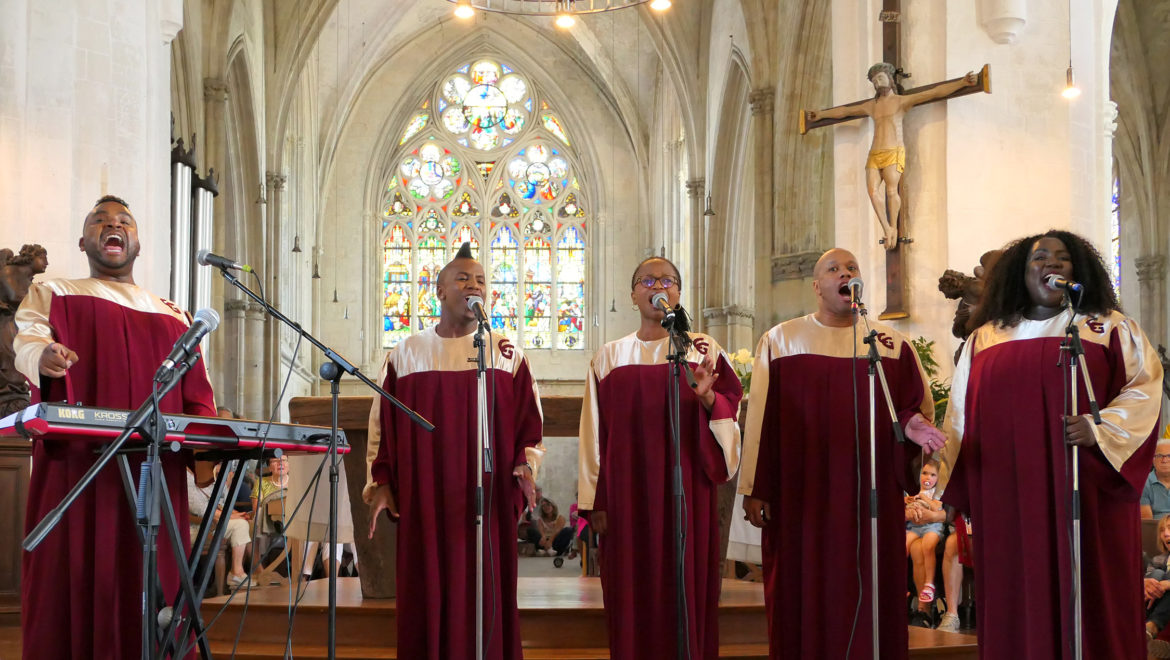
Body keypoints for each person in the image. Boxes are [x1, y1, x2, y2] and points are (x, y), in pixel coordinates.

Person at [938, 230, 1163, 659]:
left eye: (1062, 258)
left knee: (1091, 589)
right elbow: (961, 416)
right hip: (1009, 496)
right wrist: (953, 482)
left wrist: (1102, 428)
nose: (1052, 264)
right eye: (1039, 258)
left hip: (1089, 488)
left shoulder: (1108, 327)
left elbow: (1144, 389)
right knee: (1017, 589)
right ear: (1020, 275)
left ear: (1078, 270)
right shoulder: (987, 338)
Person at [13, 195, 217, 658]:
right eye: (100, 221)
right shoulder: (54, 293)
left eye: (125, 221)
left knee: (152, 583)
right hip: (79, 471)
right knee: (78, 574)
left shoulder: (173, 314)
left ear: (139, 244)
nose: (113, 226)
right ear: (83, 240)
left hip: (157, 474)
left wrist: (208, 453)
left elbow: (199, 398)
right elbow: (27, 338)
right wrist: (44, 357)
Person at [739, 247, 945, 659]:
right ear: (817, 287)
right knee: (805, 586)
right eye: (834, 269)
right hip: (802, 495)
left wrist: (913, 425)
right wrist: (756, 488)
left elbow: (910, 407)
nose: (844, 274)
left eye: (851, 268)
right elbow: (762, 420)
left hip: (867, 497)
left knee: (869, 587)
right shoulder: (781, 341)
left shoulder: (889, 345)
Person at [365, 243, 544, 660]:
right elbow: (381, 431)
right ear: (439, 290)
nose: (473, 284)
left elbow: (529, 428)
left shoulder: (506, 354)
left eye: (481, 280)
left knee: (484, 594)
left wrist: (525, 467)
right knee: (426, 593)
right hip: (426, 502)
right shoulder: (406, 354)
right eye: (462, 278)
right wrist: (383, 484)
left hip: (487, 498)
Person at [579, 256, 743, 660]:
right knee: (632, 590)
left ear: (678, 293)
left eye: (667, 280)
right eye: (648, 280)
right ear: (633, 293)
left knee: (686, 587)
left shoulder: (701, 348)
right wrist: (592, 503)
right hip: (627, 496)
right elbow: (592, 432)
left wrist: (706, 396)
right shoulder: (609, 356)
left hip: (688, 491)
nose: (659, 286)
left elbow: (730, 408)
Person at [805, 64, 978, 249]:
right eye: (874, 81)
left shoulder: (901, 102)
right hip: (875, 153)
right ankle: (886, 227)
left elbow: (934, 93)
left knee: (890, 191)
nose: (878, 82)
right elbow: (845, 111)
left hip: (893, 151)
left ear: (890, 78)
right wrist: (821, 114)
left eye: (880, 78)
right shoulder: (872, 106)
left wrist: (962, 82)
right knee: (872, 192)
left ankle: (892, 228)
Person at [187, 468, 252, 589]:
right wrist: (231, 516)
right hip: (196, 526)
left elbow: (221, 502)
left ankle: (238, 572)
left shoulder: (206, 472)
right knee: (239, 524)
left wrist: (235, 513)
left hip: (214, 522)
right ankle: (236, 573)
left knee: (245, 523)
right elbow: (201, 509)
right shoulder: (185, 475)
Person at [905, 457, 944, 607]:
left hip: (932, 527)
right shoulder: (914, 490)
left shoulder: (936, 493)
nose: (928, 477)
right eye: (925, 473)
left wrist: (924, 499)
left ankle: (929, 583)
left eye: (933, 475)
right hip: (915, 527)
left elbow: (937, 509)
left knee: (928, 546)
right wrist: (908, 501)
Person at [1143, 438, 1170, 520]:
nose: (1164, 460)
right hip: (1156, 531)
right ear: (1152, 459)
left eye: (1169, 456)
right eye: (1159, 456)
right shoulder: (1143, 484)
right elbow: (1147, 522)